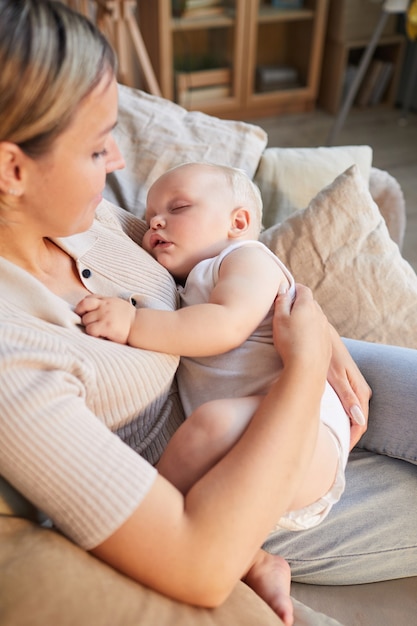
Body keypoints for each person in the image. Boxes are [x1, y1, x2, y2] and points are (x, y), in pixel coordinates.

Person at [0, 2, 416, 626]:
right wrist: (303, 370)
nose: (117, 163)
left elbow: (221, 251)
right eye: (95, 149)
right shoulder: (14, 352)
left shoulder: (92, 220)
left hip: (263, 368)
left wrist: (307, 316)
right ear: (12, 168)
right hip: (222, 470)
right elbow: (194, 558)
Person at [76, 162, 353, 541]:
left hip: (307, 434)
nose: (155, 222)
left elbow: (227, 324)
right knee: (211, 435)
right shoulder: (191, 279)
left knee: (209, 427)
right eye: (150, 216)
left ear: (238, 223)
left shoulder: (246, 258)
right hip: (253, 454)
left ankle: (142, 526)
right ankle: (254, 563)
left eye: (178, 208)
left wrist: (133, 324)